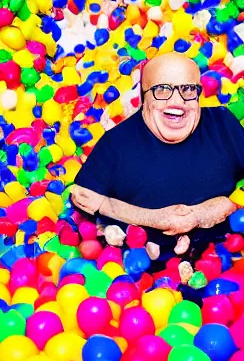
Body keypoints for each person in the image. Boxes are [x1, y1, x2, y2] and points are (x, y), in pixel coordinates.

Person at [71, 52, 244, 282]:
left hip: (227, 262)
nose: (177, 102)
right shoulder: (116, 143)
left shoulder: (223, 124)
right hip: (142, 276)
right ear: (144, 97)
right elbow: (81, 196)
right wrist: (153, 218)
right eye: (162, 90)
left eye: (188, 90)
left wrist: (219, 208)